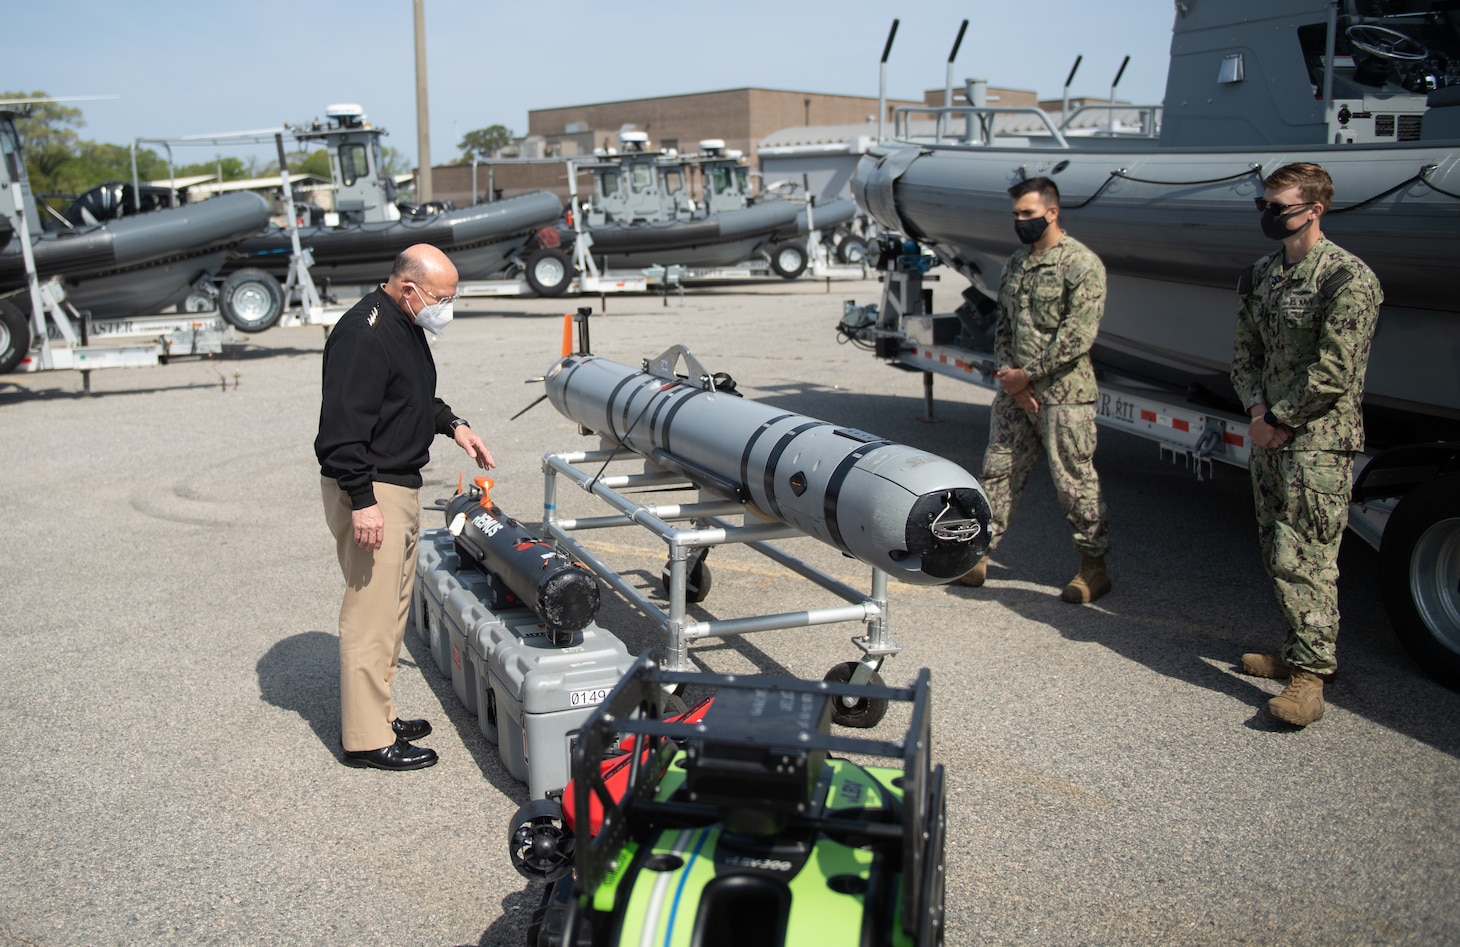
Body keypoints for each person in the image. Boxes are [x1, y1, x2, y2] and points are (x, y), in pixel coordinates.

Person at [316, 244, 495, 769]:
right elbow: (343, 429)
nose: (448, 307)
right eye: (443, 297)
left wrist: (453, 424)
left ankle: (378, 712)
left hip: (396, 484)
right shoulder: (364, 333)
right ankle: (366, 740)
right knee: (370, 615)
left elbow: (410, 396)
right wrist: (363, 501)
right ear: (409, 288)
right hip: (372, 488)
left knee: (394, 611)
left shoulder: (404, 324)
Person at [1230, 162, 1382, 727]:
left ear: (1314, 210)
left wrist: (1283, 418)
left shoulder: (1347, 278)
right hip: (1270, 434)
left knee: (1308, 556)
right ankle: (1299, 652)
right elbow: (1245, 354)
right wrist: (1257, 411)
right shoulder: (1261, 275)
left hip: (1318, 442)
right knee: (1276, 549)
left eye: (1280, 207)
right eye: (1263, 206)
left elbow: (1336, 369)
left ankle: (1310, 679)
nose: (1268, 215)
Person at [958, 176, 1112, 603]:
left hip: (1065, 395)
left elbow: (1078, 335)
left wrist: (1030, 376)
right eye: (1016, 215)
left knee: (1074, 483)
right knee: (998, 471)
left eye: (1028, 214)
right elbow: (1004, 325)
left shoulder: (1081, 264)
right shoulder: (1017, 264)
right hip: (1015, 392)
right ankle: (978, 554)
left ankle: (1093, 568)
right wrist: (1010, 375)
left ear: (1052, 212)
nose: (1021, 222)